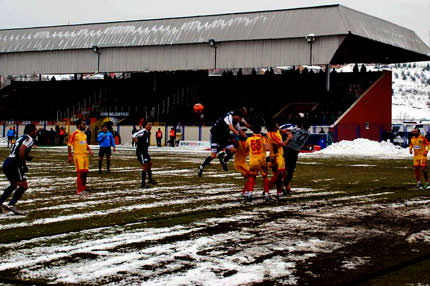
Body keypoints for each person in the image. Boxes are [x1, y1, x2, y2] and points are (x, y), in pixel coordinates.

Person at [0, 124, 37, 215]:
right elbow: (21, 150)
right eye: (35, 130)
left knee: (13, 185)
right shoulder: (30, 139)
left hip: (7, 162)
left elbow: (16, 150)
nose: (36, 131)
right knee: (24, 185)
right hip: (14, 164)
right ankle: (11, 204)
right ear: (31, 131)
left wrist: (27, 157)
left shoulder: (21, 137)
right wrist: (24, 165)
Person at [198, 109, 245, 177]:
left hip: (224, 135)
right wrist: (238, 134)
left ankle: (224, 160)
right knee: (213, 155)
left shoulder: (236, 121)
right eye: (240, 118)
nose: (240, 120)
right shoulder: (228, 117)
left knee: (233, 150)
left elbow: (240, 130)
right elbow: (232, 128)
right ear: (236, 116)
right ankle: (201, 167)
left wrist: (245, 137)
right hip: (215, 135)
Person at [280, 122, 310, 193]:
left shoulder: (296, 130)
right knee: (290, 171)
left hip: (288, 148)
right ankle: (285, 186)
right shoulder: (308, 134)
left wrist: (284, 133)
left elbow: (285, 130)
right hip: (296, 151)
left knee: (281, 167)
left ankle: (279, 185)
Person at [68, 119, 94, 195]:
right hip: (78, 156)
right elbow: (69, 145)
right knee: (80, 173)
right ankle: (79, 191)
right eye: (83, 124)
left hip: (85, 156)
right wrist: (70, 156)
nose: (85, 126)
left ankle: (83, 189)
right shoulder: (74, 134)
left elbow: (85, 145)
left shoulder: (84, 135)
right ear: (79, 125)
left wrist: (90, 150)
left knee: (85, 173)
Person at [266, 120, 291, 199]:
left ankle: (280, 192)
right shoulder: (272, 135)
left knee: (281, 175)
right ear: (274, 127)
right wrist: (289, 138)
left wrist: (284, 131)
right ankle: (267, 189)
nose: (278, 125)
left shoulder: (274, 131)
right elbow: (283, 144)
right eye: (277, 124)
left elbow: (279, 129)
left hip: (278, 156)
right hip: (276, 157)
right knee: (279, 175)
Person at [244, 125, 269, 202]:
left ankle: (250, 193)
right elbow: (267, 148)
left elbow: (246, 149)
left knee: (252, 177)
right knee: (264, 177)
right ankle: (267, 194)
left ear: (252, 131)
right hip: (262, 160)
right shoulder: (263, 138)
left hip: (253, 160)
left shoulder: (249, 139)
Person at [133, 120, 157, 188]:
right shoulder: (143, 131)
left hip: (145, 152)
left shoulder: (148, 132)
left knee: (149, 163)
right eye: (149, 124)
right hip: (141, 152)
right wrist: (138, 143)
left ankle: (150, 179)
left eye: (151, 124)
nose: (150, 126)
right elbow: (134, 135)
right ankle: (143, 184)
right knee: (145, 166)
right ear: (145, 125)